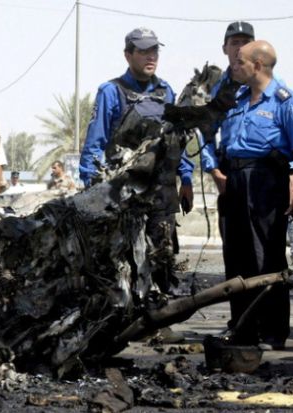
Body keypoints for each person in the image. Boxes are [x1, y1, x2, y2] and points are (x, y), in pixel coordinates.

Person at [79, 27, 192, 343]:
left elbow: (177, 139)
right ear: (128, 55)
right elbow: (95, 141)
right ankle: (123, 319)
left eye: (155, 50)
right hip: (124, 192)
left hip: (161, 192)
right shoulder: (111, 92)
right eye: (143, 51)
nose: (151, 56)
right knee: (122, 257)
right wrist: (89, 186)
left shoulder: (166, 92)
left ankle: (158, 319)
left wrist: (186, 178)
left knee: (161, 253)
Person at [219, 40, 293, 351]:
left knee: (266, 257)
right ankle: (242, 327)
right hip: (235, 179)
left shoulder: (286, 101)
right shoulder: (239, 99)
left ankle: (272, 331)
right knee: (236, 256)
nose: (234, 65)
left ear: (257, 65)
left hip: (265, 180)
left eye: (240, 61)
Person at [189, 21, 256, 242]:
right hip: (229, 174)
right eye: (235, 43)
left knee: (263, 253)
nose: (240, 48)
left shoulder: (270, 85)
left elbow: (289, 135)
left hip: (263, 174)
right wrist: (214, 171)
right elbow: (206, 132)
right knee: (234, 248)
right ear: (225, 49)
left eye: (246, 43)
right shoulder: (218, 90)